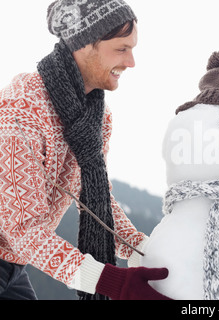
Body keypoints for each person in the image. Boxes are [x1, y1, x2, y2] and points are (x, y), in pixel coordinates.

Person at [0, 0, 169, 300]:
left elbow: (93, 197)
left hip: (13, 266)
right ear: (85, 44)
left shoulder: (96, 118)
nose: (131, 62)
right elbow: (23, 228)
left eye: (133, 49)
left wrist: (144, 250)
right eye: (121, 49)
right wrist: (114, 282)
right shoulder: (23, 108)